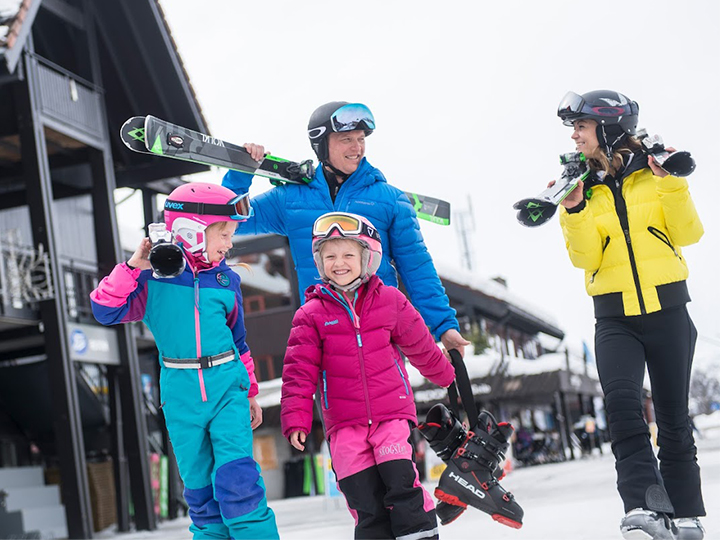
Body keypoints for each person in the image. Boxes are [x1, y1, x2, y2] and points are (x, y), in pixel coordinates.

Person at [555, 89, 706, 540]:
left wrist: (670, 182)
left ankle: (685, 514)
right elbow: (585, 259)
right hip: (614, 316)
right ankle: (643, 505)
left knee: (673, 418)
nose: (575, 135)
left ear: (608, 126)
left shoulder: (658, 171)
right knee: (622, 406)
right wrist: (576, 209)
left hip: (669, 309)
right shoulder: (580, 183)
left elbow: (688, 233)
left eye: (581, 126)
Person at [90, 182, 279, 539]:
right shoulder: (151, 280)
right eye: (223, 234)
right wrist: (133, 265)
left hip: (227, 385)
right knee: (199, 488)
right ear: (192, 231)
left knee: (237, 478)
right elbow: (104, 310)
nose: (229, 244)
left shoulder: (225, 279)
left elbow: (239, 341)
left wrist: (251, 391)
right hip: (180, 393)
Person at [222, 101, 469, 357]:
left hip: (380, 335)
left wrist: (444, 326)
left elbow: (417, 268)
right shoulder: (289, 200)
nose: (357, 147)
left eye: (361, 139)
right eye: (346, 139)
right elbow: (229, 220)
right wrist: (241, 172)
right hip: (321, 337)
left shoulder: (390, 200)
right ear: (321, 144)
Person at [280, 212, 456, 540]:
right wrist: (296, 419)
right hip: (344, 425)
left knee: (402, 488)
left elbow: (420, 346)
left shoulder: (390, 301)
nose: (339, 263)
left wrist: (448, 377)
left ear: (368, 258)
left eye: (348, 254)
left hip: (390, 416)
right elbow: (298, 374)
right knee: (365, 503)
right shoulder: (311, 315)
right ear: (319, 263)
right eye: (329, 256)